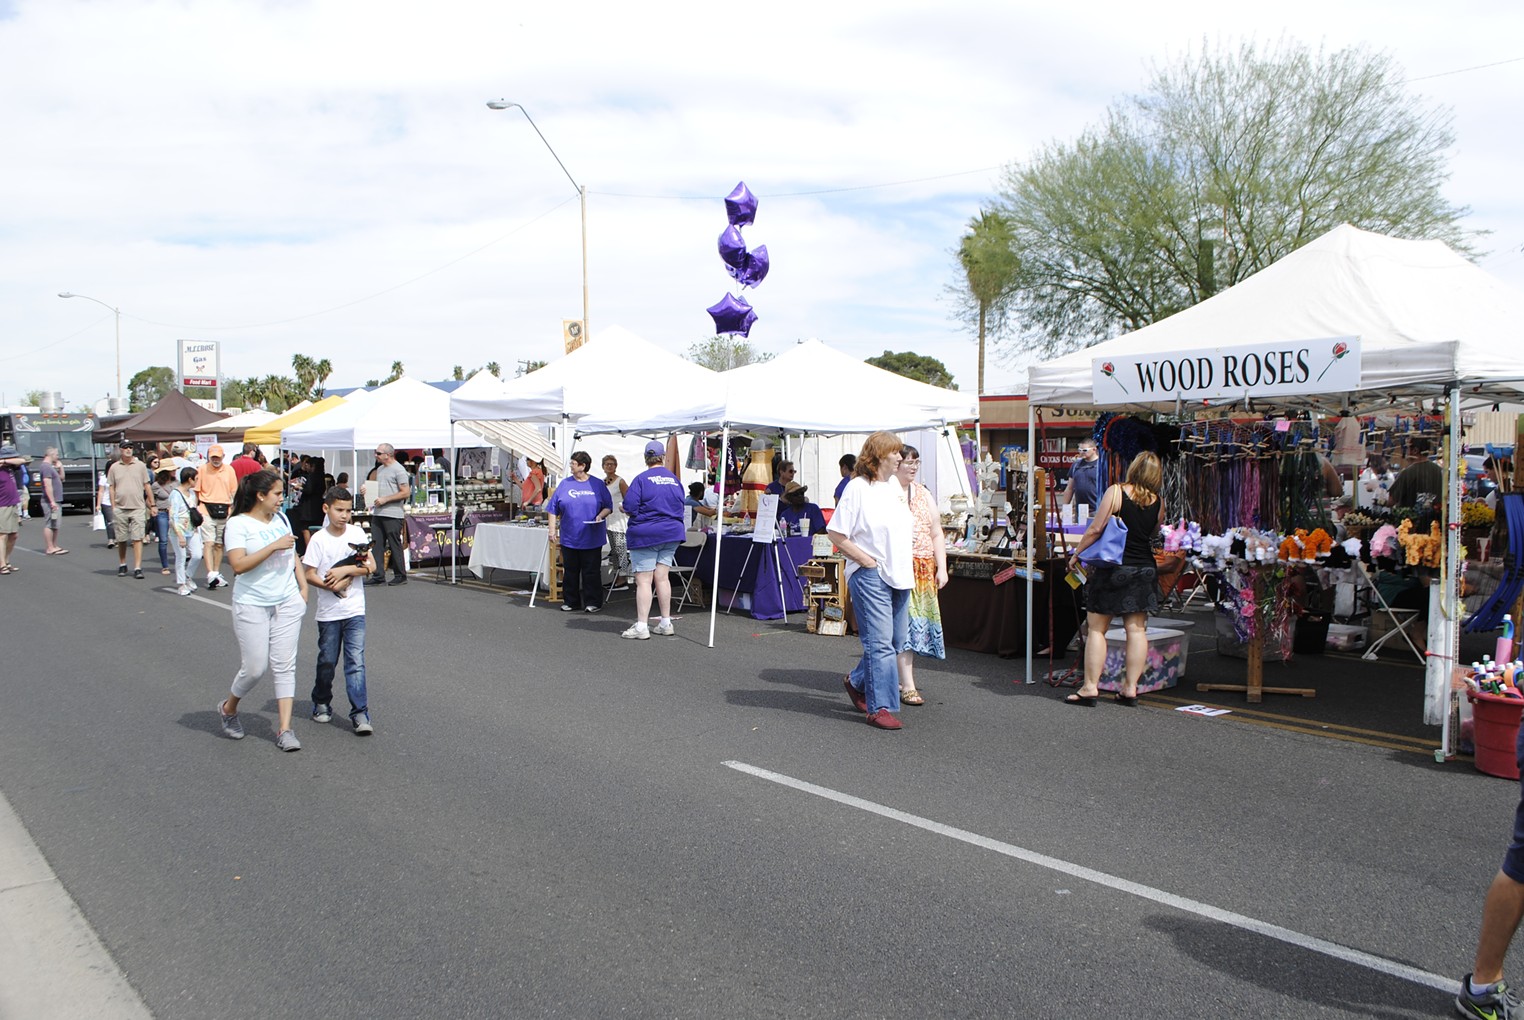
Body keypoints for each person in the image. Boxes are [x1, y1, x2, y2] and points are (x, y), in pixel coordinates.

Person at [216, 468, 309, 752]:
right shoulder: (238, 524)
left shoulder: (281, 518)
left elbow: (292, 553)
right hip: (252, 602)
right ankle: (229, 709)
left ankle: (285, 729)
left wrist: (303, 587)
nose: (282, 499)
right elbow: (239, 566)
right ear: (260, 495)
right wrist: (272, 546)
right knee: (255, 668)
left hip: (287, 600)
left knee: (284, 665)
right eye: (278, 494)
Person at [1063, 451, 1165, 707]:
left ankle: (1089, 687)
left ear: (1134, 468)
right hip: (1144, 569)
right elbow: (1153, 533)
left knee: (1097, 627)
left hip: (1114, 567)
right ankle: (1130, 688)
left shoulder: (1117, 492)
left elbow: (1096, 528)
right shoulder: (1159, 501)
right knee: (1137, 629)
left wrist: (1077, 554)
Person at [829, 433, 913, 730]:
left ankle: (856, 681)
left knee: (895, 641)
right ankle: (880, 707)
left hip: (900, 574)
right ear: (878, 456)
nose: (900, 458)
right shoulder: (857, 488)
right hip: (871, 575)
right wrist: (865, 560)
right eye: (895, 453)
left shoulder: (893, 487)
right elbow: (836, 533)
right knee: (880, 644)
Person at [302, 485, 373, 735]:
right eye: (339, 510)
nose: (344, 515)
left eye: (348, 510)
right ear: (326, 508)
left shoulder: (356, 533)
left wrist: (345, 571)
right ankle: (321, 701)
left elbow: (370, 566)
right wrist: (330, 585)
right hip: (329, 613)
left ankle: (360, 713)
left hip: (354, 609)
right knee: (327, 661)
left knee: (356, 662)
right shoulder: (319, 539)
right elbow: (308, 573)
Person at [894, 445, 948, 705]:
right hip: (898, 567)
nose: (913, 466)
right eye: (908, 461)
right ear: (896, 463)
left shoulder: (923, 494)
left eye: (917, 461)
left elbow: (936, 532)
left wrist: (942, 567)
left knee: (915, 626)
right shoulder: (888, 493)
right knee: (902, 627)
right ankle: (907, 684)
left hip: (923, 567)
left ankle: (899, 679)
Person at [620, 440, 686, 640]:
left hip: (647, 533)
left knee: (644, 580)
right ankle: (665, 622)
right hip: (672, 532)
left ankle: (642, 626)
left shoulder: (641, 479)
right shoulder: (674, 480)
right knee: (663, 577)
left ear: (645, 458)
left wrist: (624, 508)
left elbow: (630, 506)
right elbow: (680, 505)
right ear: (662, 457)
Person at [548, 451, 614, 614]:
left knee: (591, 571)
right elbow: (552, 508)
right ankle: (571, 601)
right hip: (570, 536)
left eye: (573, 463)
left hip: (592, 536)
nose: (570, 465)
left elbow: (608, 506)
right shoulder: (565, 484)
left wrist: (600, 515)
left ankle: (593, 602)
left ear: (583, 466)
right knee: (570, 570)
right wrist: (551, 530)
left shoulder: (597, 484)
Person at [107, 442, 155, 580]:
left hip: (138, 507)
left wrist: (152, 504)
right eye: (126, 448)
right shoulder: (114, 467)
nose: (128, 450)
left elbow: (147, 485)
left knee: (137, 538)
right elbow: (111, 487)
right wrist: (113, 505)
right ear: (121, 450)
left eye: (130, 448)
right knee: (121, 539)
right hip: (120, 507)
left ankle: (138, 567)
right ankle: (123, 563)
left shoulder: (140, 466)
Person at [195, 444, 238, 590]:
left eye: (218, 457)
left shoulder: (229, 470)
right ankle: (210, 573)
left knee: (219, 544)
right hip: (206, 508)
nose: (215, 460)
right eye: (213, 457)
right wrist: (195, 510)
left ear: (223, 457)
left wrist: (232, 510)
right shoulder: (202, 469)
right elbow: (197, 490)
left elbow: (234, 491)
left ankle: (216, 572)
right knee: (209, 542)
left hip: (224, 509)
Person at [369, 443, 411, 586]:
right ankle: (378, 574)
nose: (376, 455)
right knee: (376, 544)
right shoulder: (380, 469)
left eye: (379, 453)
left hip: (393, 513)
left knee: (394, 543)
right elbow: (379, 489)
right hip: (379, 512)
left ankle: (400, 574)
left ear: (388, 454)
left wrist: (385, 499)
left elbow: (406, 492)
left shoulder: (399, 470)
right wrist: (367, 491)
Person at [170, 465, 204, 596]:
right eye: (195, 479)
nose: (196, 481)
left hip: (192, 529)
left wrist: (196, 529)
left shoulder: (192, 494)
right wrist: (180, 535)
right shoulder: (175, 494)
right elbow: (173, 516)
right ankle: (182, 583)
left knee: (196, 554)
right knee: (181, 556)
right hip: (179, 531)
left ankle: (188, 576)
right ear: (189, 479)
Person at [1388, 436, 1445, 509]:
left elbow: (1390, 501)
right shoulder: (1440, 471)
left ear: (1415, 450)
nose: (1405, 452)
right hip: (1436, 518)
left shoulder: (1407, 473)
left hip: (1409, 519)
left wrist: (1379, 497)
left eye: (1407, 448)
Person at [0, 443, 27, 575]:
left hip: (13, 503)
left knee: (13, 535)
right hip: (2, 504)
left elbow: (23, 460)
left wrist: (5, 461)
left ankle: (6, 560)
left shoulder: (11, 466)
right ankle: (1, 564)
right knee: (2, 535)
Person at [602, 455, 629, 579]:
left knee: (620, 548)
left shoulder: (620, 481)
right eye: (607, 464)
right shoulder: (603, 482)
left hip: (618, 518)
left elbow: (628, 498)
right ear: (603, 466)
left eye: (612, 464)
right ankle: (616, 575)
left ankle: (623, 576)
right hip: (608, 519)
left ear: (616, 466)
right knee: (613, 549)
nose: (609, 466)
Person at [37, 446, 67, 556]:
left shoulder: (51, 467)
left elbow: (62, 478)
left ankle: (54, 545)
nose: (58, 457)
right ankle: (50, 547)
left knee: (56, 524)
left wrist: (61, 467)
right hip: (50, 501)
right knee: (50, 523)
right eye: (57, 454)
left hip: (57, 499)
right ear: (51, 455)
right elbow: (47, 484)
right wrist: (52, 501)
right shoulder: (46, 467)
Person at [1061, 440, 1100, 513]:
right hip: (1080, 510)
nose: (1081, 452)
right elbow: (1069, 488)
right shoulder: (1076, 465)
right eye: (1079, 450)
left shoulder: (1101, 465)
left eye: (1085, 450)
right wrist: (1064, 509)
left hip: (1098, 509)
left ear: (1094, 449)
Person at [152, 468, 175, 574]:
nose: (174, 471)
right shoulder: (156, 485)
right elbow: (149, 500)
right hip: (162, 513)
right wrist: (153, 508)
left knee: (180, 539)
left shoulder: (177, 482)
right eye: (172, 470)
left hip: (175, 514)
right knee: (164, 540)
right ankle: (165, 565)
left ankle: (180, 563)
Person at [96, 453, 116, 549]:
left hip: (118, 502)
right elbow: (100, 492)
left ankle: (116, 538)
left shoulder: (118, 477)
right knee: (110, 521)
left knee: (118, 522)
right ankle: (111, 539)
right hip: (106, 502)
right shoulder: (103, 478)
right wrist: (98, 504)